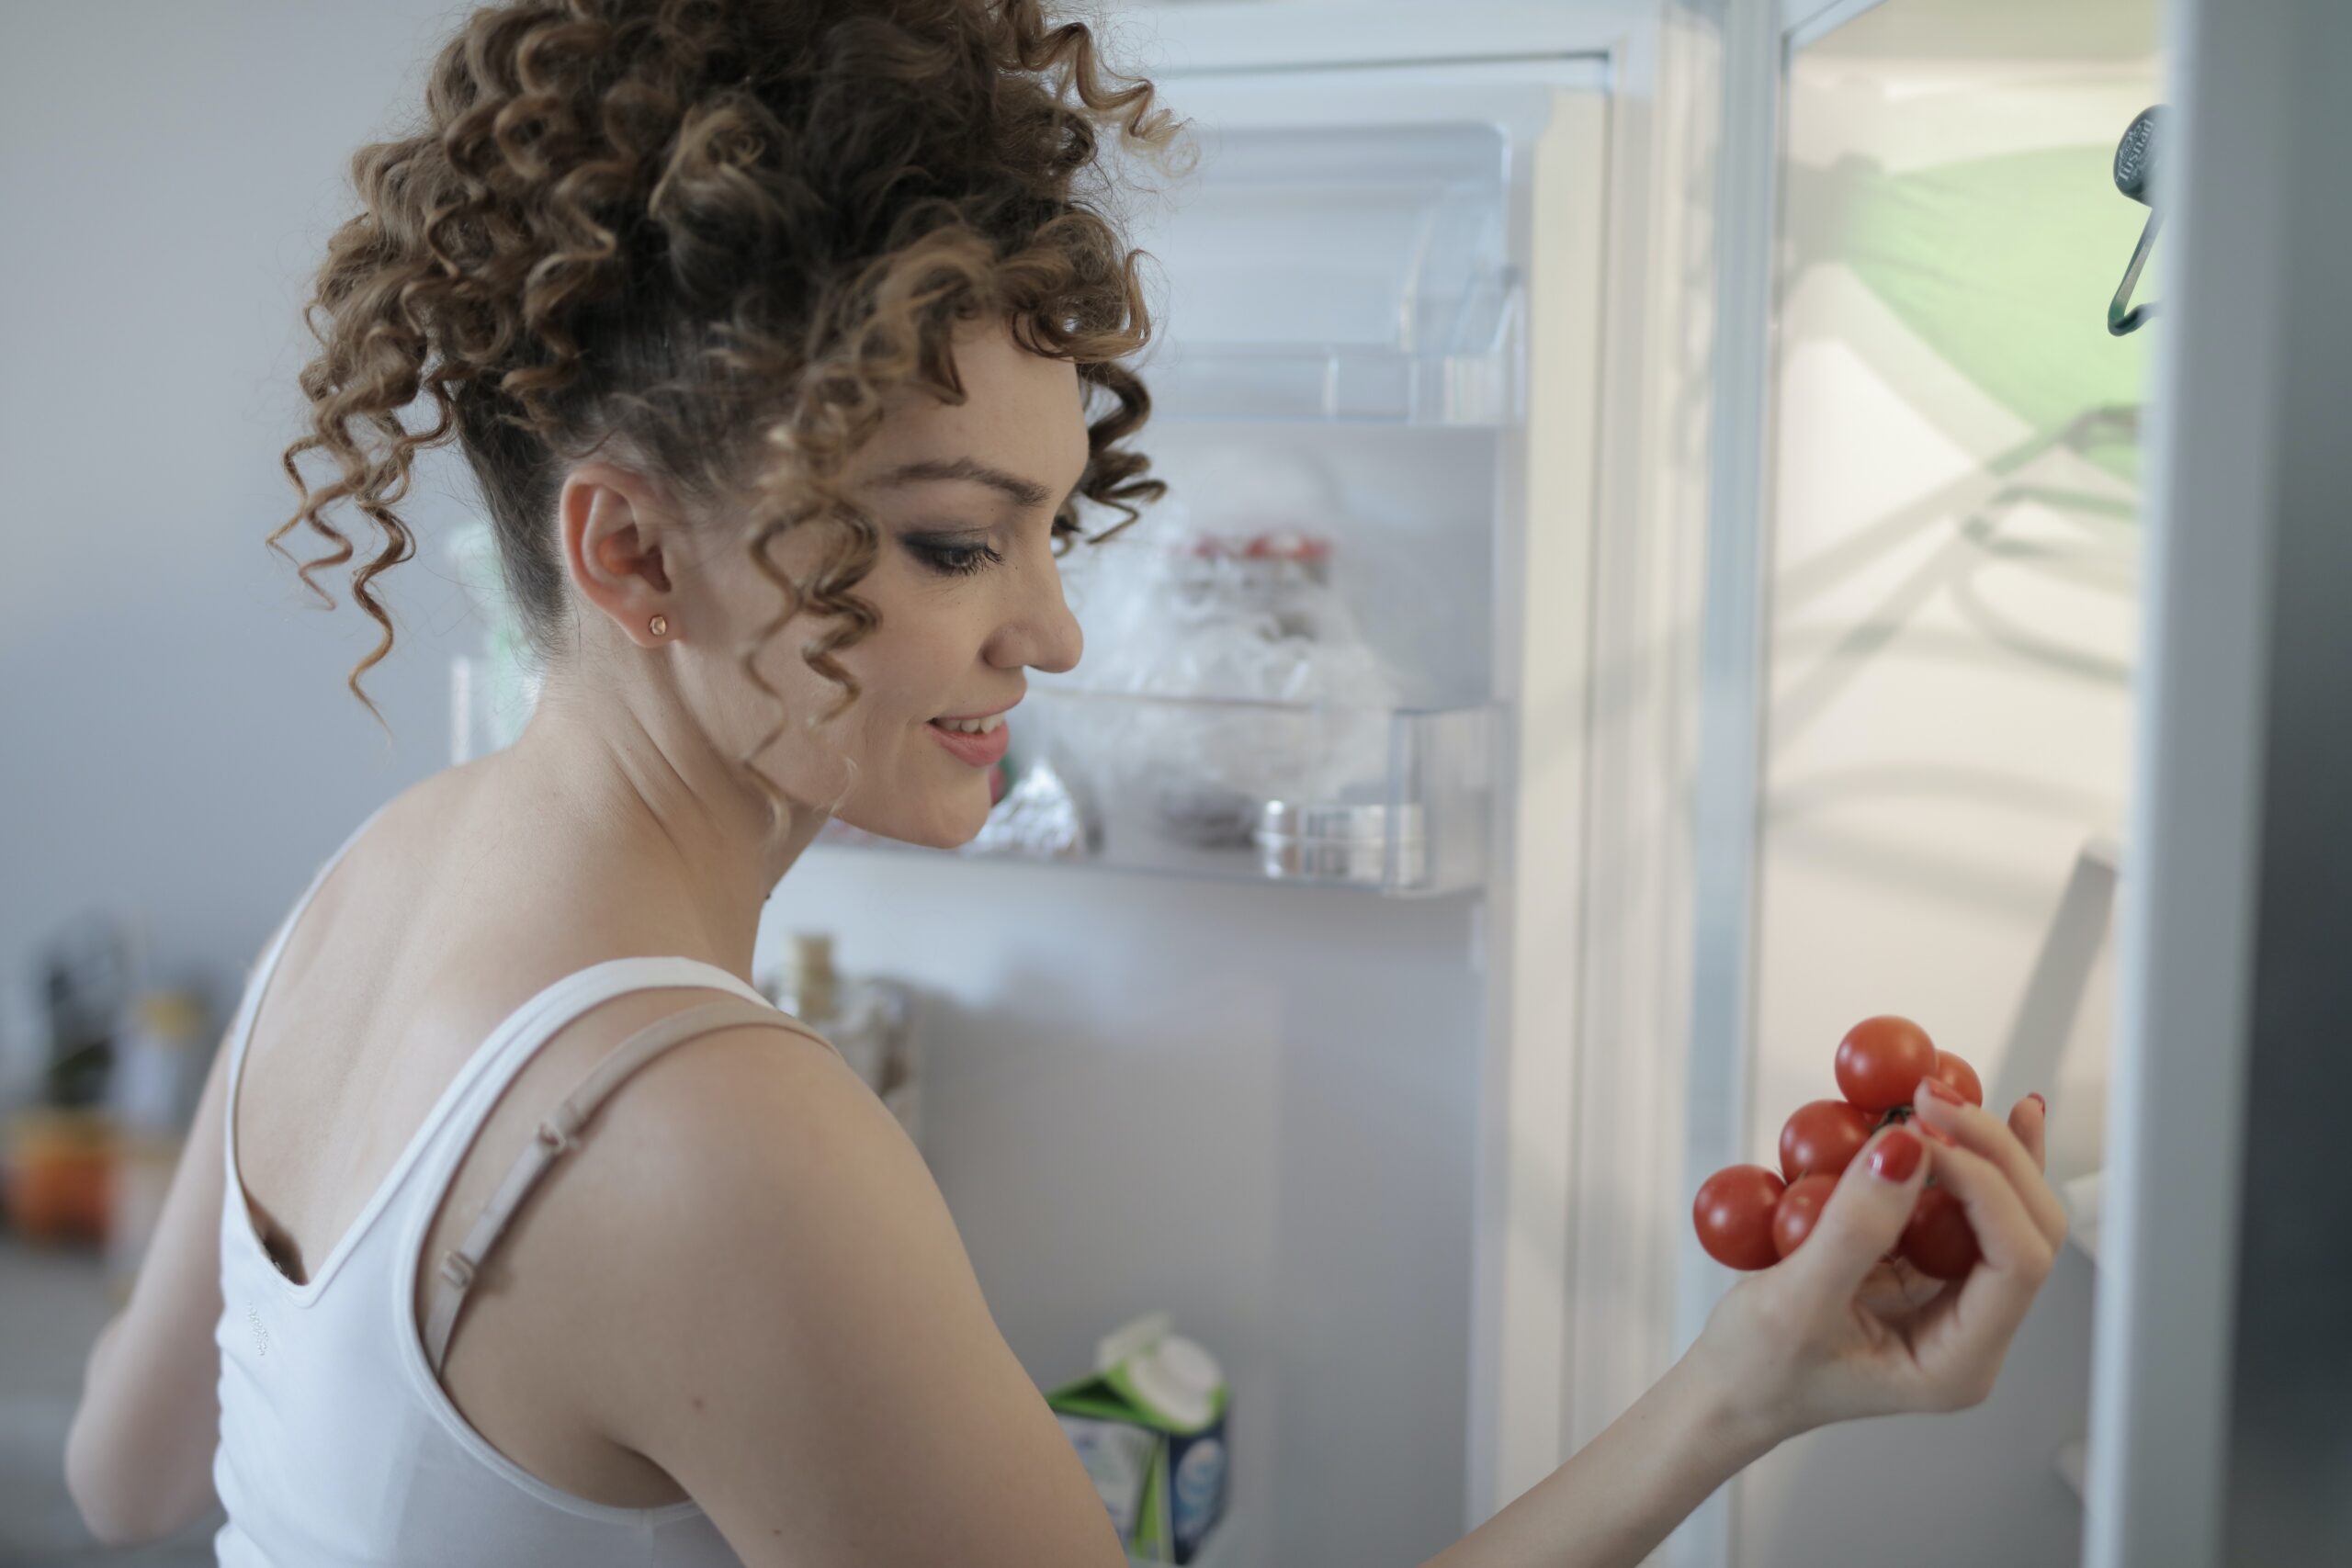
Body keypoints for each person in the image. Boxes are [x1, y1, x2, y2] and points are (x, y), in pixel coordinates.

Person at [62, 2, 2065, 1564]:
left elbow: (127, 1467)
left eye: (1050, 529)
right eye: (952, 542)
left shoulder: (373, 878)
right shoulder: (718, 1138)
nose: (1055, 632)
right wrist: (1733, 1394)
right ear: (629, 555)